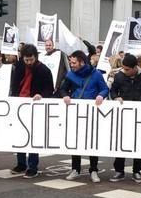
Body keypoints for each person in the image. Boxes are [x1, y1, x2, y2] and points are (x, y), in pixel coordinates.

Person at [60, 50, 109, 183]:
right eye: (71, 62)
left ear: (82, 62)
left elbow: (105, 89)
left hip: (92, 113)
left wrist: (101, 95)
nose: (72, 65)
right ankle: (76, 169)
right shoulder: (70, 75)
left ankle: (94, 170)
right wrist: (65, 95)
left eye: (74, 63)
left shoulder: (96, 74)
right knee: (76, 141)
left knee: (92, 141)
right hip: (76, 112)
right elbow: (63, 89)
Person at [109, 54, 141, 183]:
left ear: (135, 67)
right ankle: (119, 170)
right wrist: (115, 97)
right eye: (123, 68)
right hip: (123, 113)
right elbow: (113, 91)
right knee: (121, 142)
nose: (125, 71)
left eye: (127, 69)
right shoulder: (119, 76)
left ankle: (137, 171)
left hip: (139, 114)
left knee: (138, 142)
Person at [10, 44, 54, 178]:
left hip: (35, 106)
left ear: (36, 57)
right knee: (20, 135)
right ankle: (21, 163)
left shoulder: (44, 70)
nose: (28, 62)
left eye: (31, 60)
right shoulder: (18, 66)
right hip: (20, 103)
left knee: (33, 136)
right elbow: (14, 84)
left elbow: (49, 89)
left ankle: (33, 166)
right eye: (26, 60)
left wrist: (41, 95)